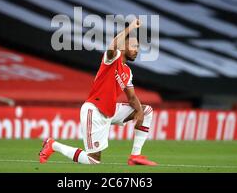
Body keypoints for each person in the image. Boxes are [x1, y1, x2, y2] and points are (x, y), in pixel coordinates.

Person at [39, 19, 156, 165]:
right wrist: (131, 27)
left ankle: (135, 156)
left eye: (138, 47)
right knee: (93, 160)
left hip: (110, 111)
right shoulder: (113, 58)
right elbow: (113, 45)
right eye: (133, 46)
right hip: (94, 110)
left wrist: (139, 112)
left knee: (147, 111)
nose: (137, 50)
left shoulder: (127, 71)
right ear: (123, 46)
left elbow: (131, 97)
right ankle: (53, 145)